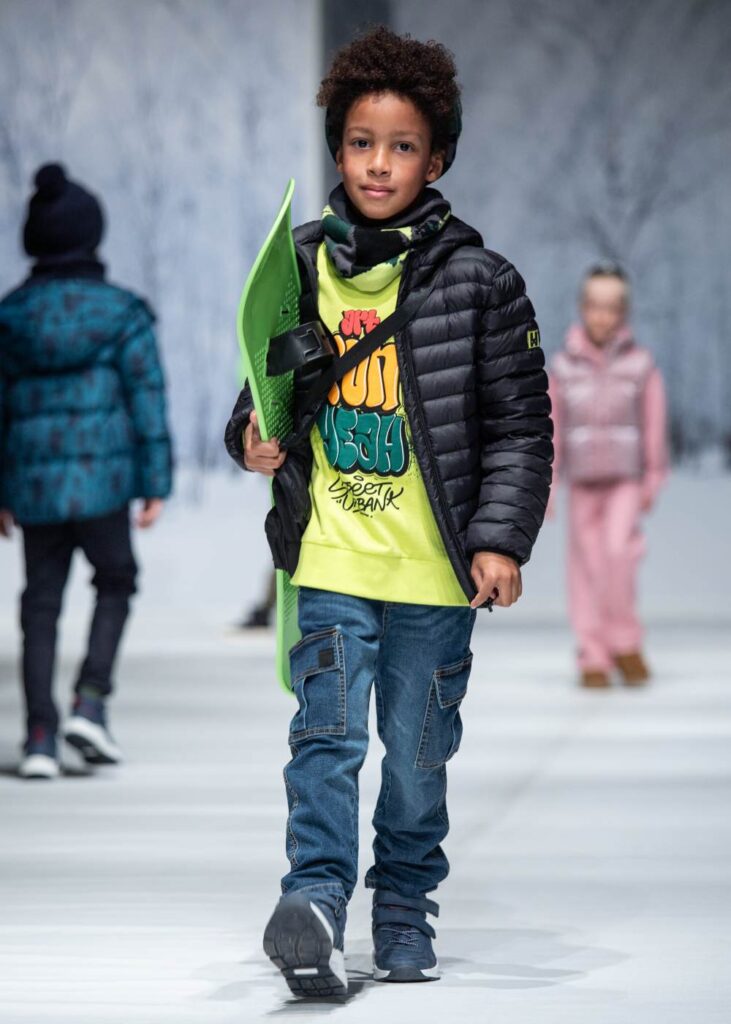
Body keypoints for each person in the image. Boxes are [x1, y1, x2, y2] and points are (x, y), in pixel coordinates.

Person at [225, 27, 552, 997]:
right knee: (323, 741)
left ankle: (403, 904)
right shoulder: (297, 266)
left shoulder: (480, 282)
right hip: (329, 559)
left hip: (431, 573)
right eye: (362, 141)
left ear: (436, 157)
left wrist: (497, 538)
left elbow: (520, 428)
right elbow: (254, 397)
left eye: (401, 145)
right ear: (336, 148)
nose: (378, 162)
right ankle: (315, 901)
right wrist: (250, 439)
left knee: (414, 754)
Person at [0, 163, 173, 780]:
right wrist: (155, 483)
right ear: (91, 236)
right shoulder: (123, 313)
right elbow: (146, 399)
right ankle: (91, 702)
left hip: (36, 487)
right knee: (117, 580)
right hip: (103, 485)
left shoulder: (11, 315)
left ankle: (40, 735)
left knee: (39, 603)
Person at [548, 262, 668, 688]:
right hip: (582, 481)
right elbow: (553, 428)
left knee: (619, 557)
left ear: (624, 312)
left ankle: (625, 641)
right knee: (585, 568)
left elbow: (653, 423)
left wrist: (654, 476)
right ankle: (592, 655)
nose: (602, 315)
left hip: (624, 480)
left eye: (612, 307)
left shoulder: (640, 365)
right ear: (583, 307)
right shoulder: (564, 366)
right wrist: (548, 483)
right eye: (594, 306)